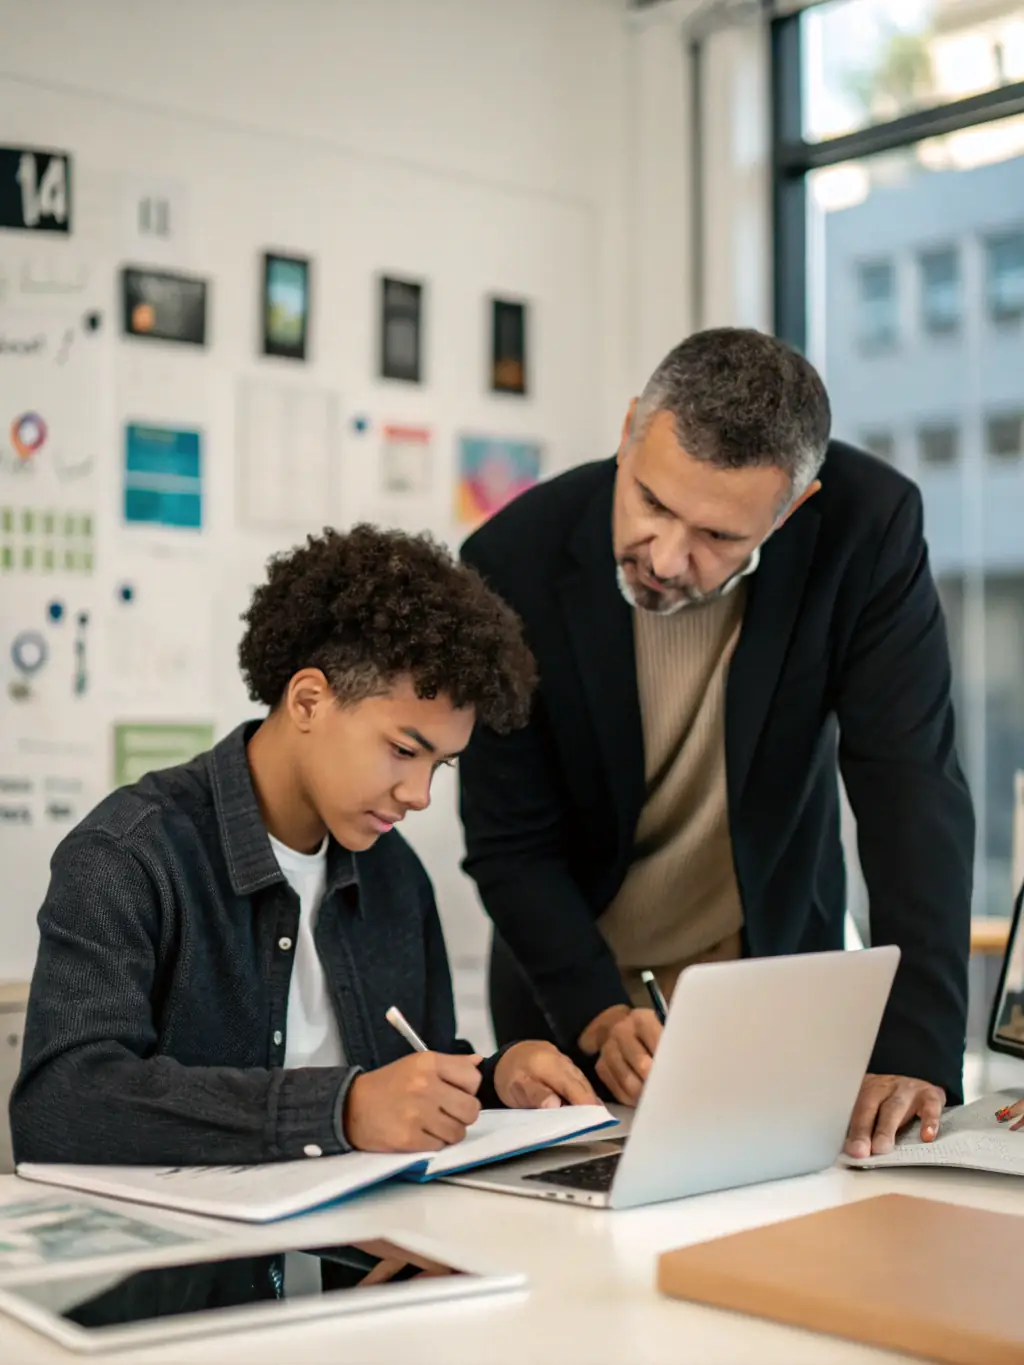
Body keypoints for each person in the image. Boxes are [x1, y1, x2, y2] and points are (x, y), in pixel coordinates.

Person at [458, 327, 974, 1161]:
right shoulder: (508, 560)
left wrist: (914, 1051)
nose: (667, 557)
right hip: (573, 1003)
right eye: (653, 503)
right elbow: (511, 842)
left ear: (792, 507)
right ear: (629, 432)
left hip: (769, 989)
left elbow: (910, 788)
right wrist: (596, 1012)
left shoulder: (866, 527)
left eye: (719, 537)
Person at [11, 525, 596, 1167]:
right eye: (403, 751)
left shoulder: (394, 875)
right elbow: (61, 1105)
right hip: (208, 1265)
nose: (420, 794)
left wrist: (494, 1078)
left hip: (380, 1258)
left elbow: (409, 1077)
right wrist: (339, 1110)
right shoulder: (129, 855)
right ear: (310, 700)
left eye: (441, 765)